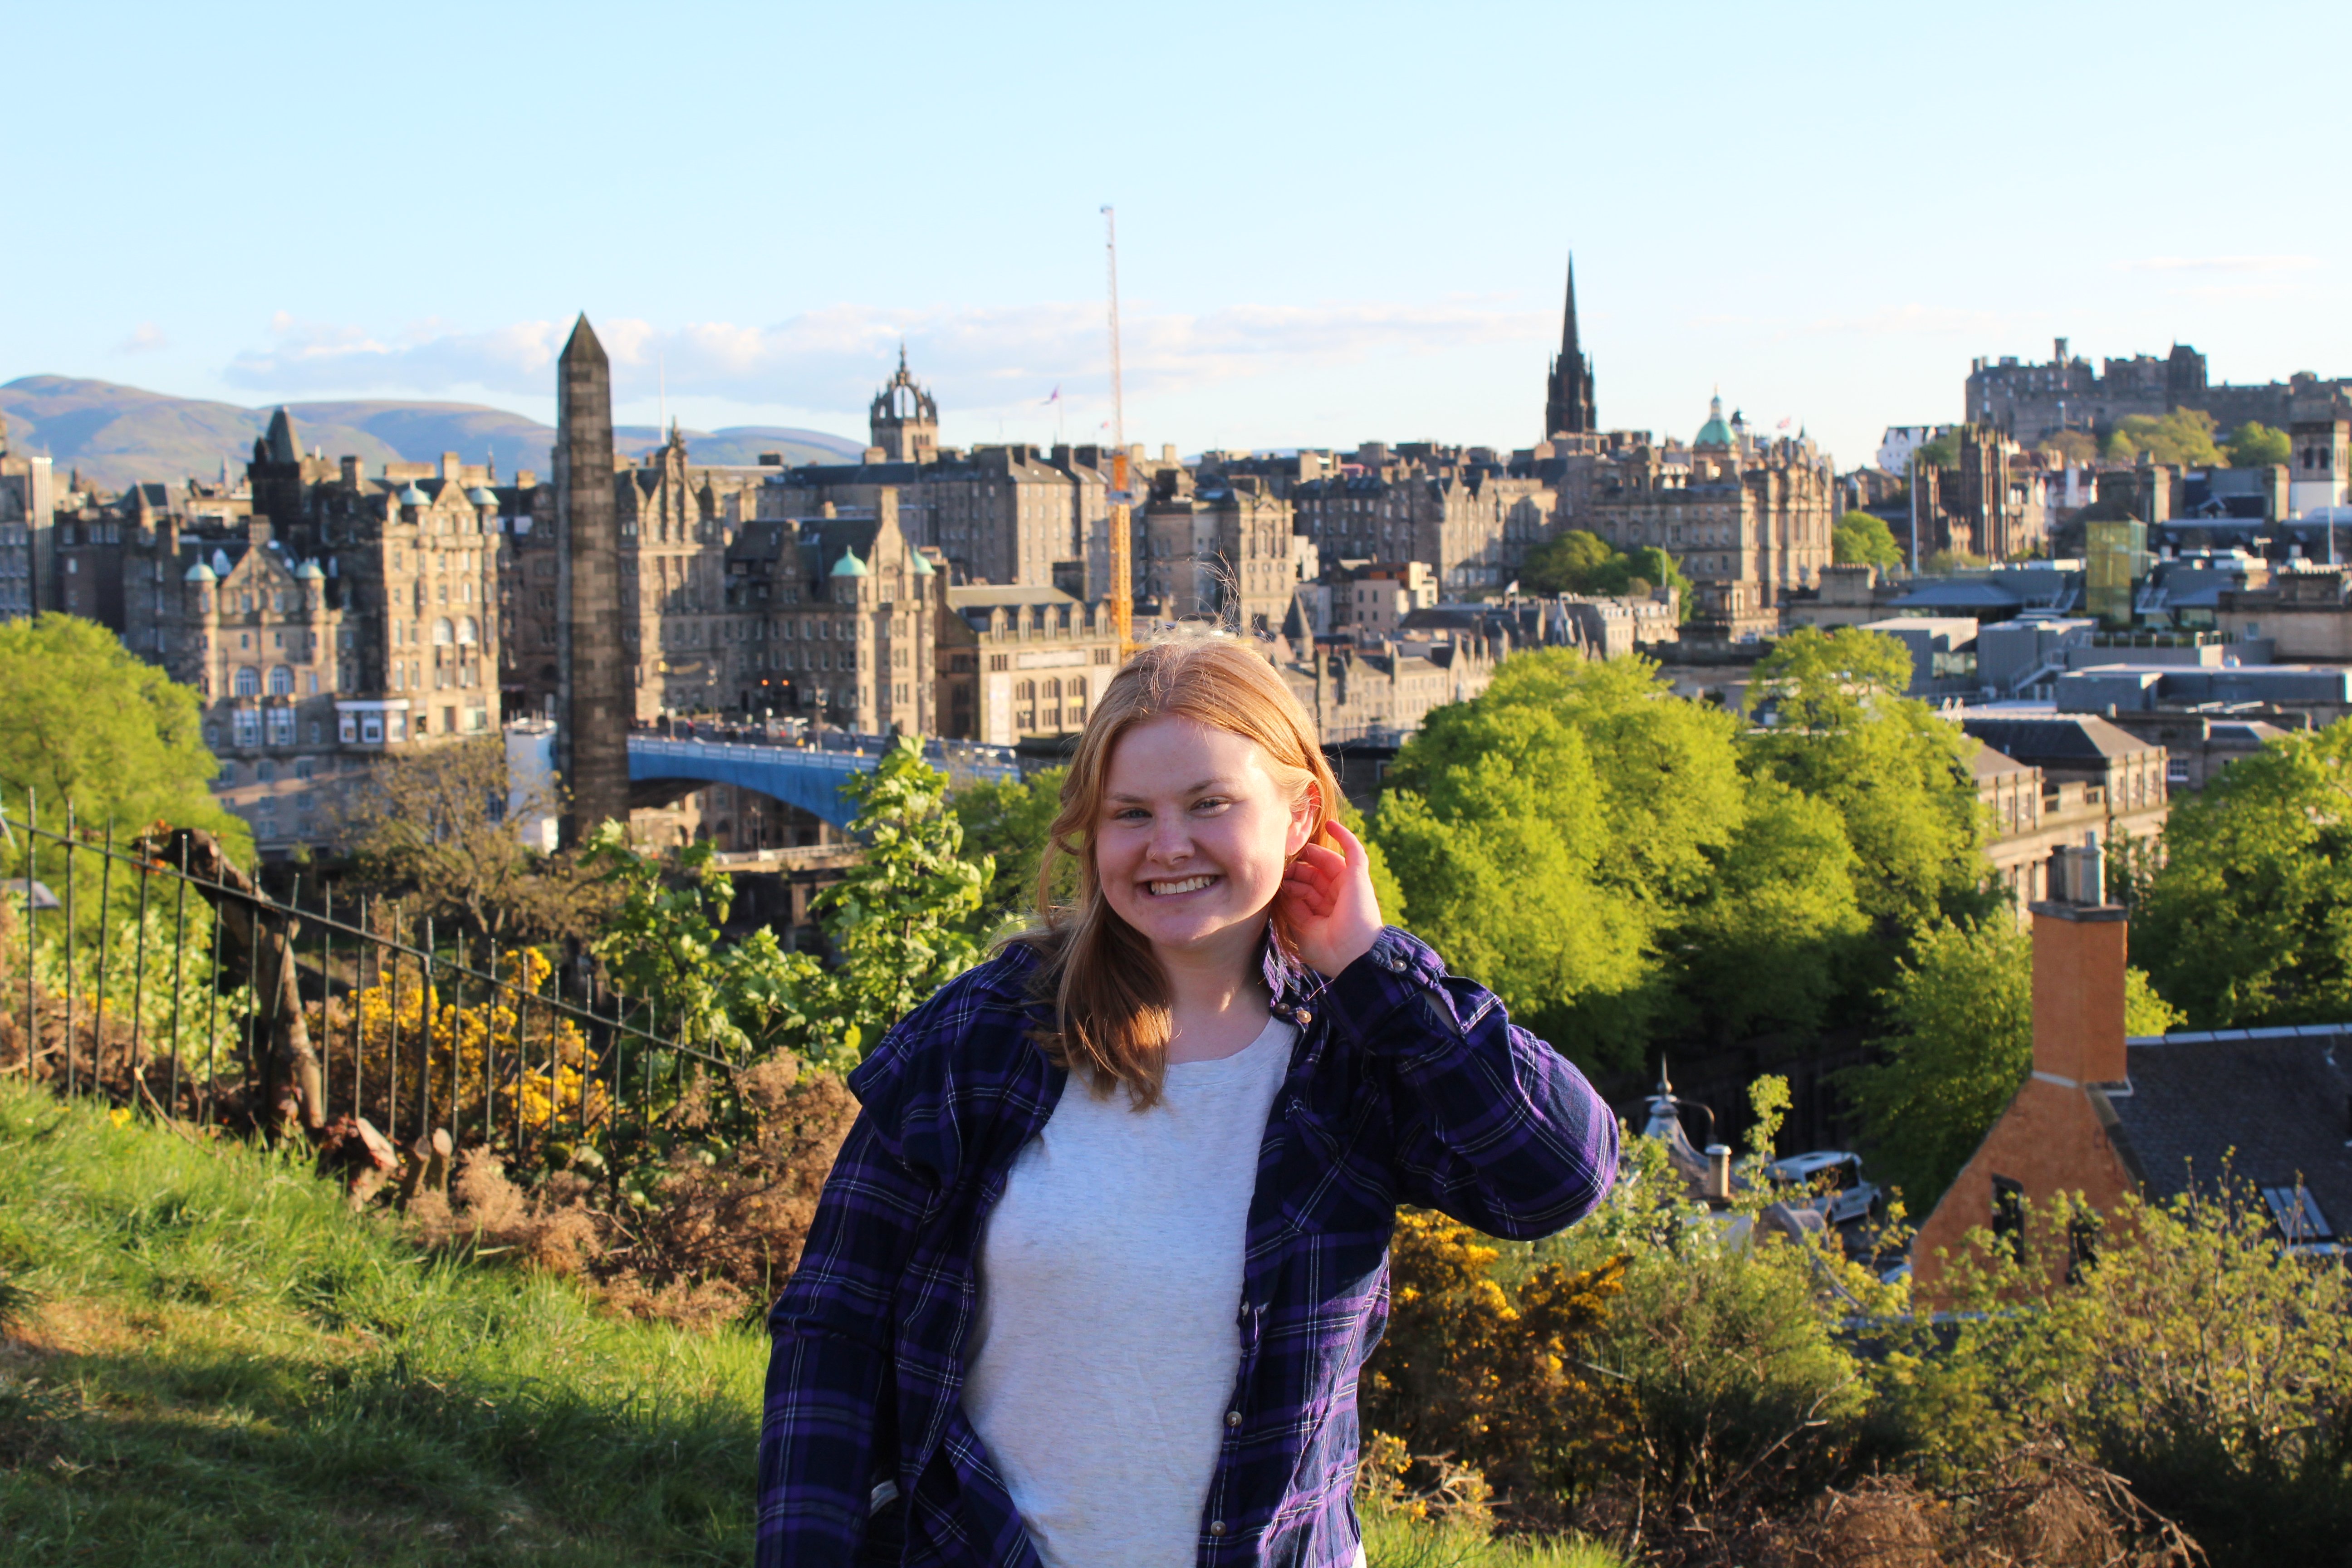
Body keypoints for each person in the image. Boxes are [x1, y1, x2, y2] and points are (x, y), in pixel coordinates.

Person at [758, 632, 1618, 1568]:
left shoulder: (1357, 1048)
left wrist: (1378, 967)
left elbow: (1559, 1178)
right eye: (1131, 814)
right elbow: (834, 1326)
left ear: (1302, 819)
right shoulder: (984, 1035)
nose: (1169, 847)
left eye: (1210, 804)